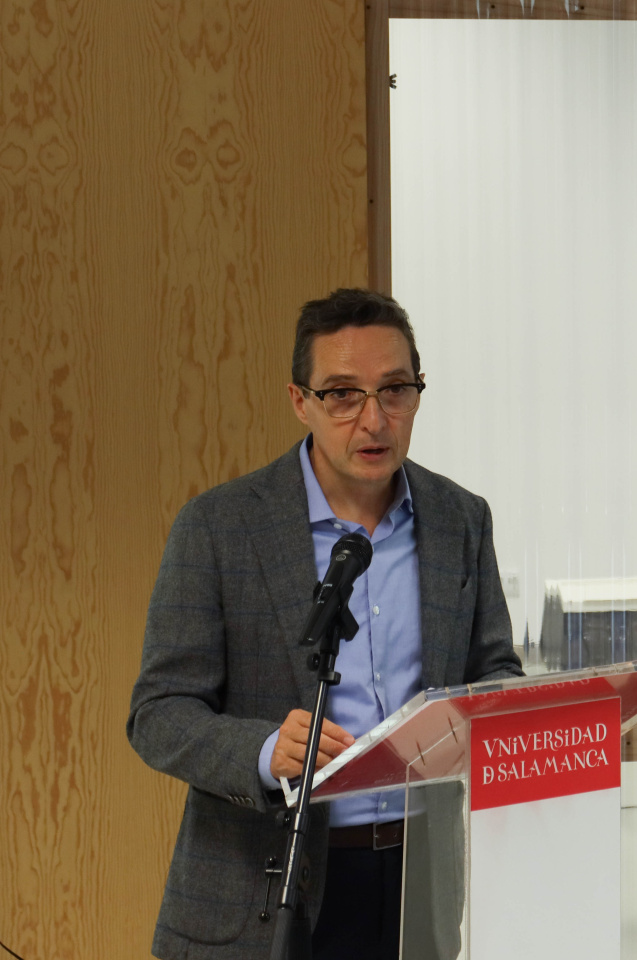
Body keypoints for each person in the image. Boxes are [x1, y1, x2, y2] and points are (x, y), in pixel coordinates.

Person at [128, 289, 522, 960]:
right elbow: (159, 713)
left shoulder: (461, 520)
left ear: (419, 394)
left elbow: (495, 672)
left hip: (413, 881)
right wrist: (261, 752)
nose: (374, 419)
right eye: (343, 394)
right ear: (299, 401)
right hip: (260, 888)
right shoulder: (220, 528)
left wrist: (496, 718)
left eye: (395, 389)